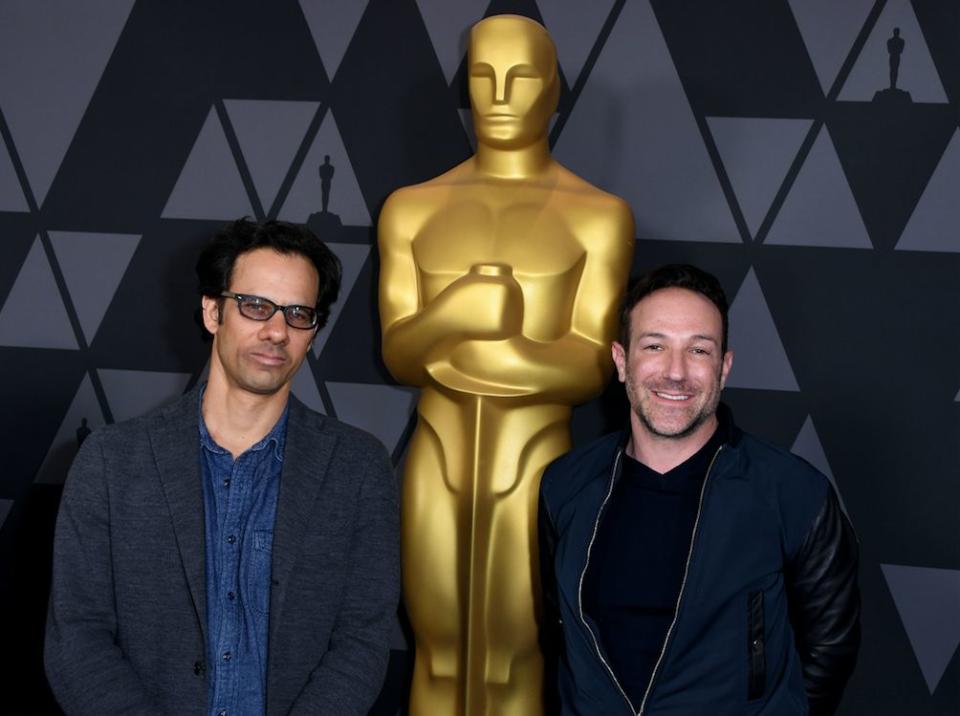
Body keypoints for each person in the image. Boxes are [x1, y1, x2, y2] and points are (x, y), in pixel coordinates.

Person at [378, 14, 633, 715]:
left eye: (520, 78)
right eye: (483, 76)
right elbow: (399, 352)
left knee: (515, 656)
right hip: (438, 448)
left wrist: (509, 346)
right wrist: (456, 313)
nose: (498, 94)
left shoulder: (597, 216)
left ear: (551, 89)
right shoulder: (412, 209)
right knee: (436, 651)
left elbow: (588, 367)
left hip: (539, 456)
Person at [45, 219, 400, 716]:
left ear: (313, 332)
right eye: (255, 306)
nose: (276, 331)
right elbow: (77, 637)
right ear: (213, 311)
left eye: (299, 314)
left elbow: (363, 637)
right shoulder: (110, 461)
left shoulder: (358, 468)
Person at [538, 264, 860, 715]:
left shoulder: (793, 493)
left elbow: (830, 649)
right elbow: (559, 634)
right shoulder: (565, 484)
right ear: (620, 360)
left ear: (724, 367)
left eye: (699, 350)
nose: (675, 372)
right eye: (654, 346)